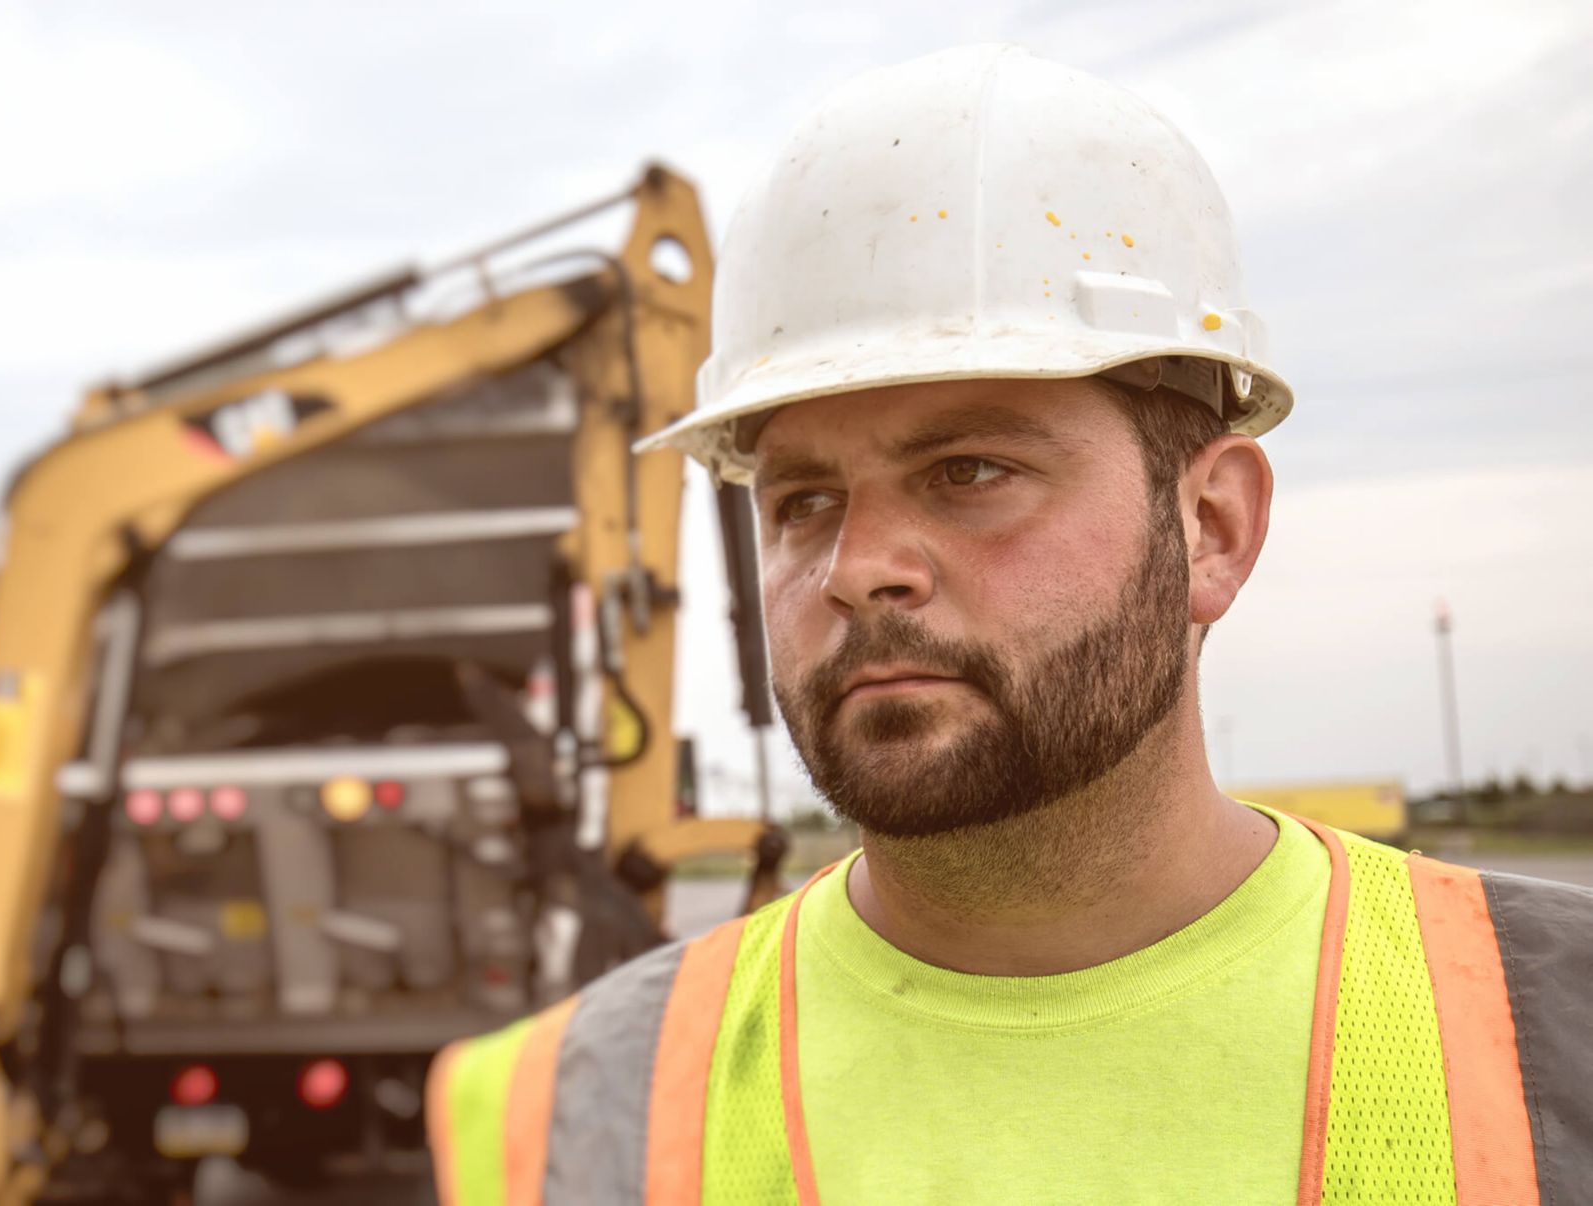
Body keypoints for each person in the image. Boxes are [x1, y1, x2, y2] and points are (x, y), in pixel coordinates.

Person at [427, 45, 1592, 1205]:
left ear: (1215, 527)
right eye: (803, 502)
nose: (856, 570)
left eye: (969, 469)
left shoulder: (1555, 1032)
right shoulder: (560, 1115)